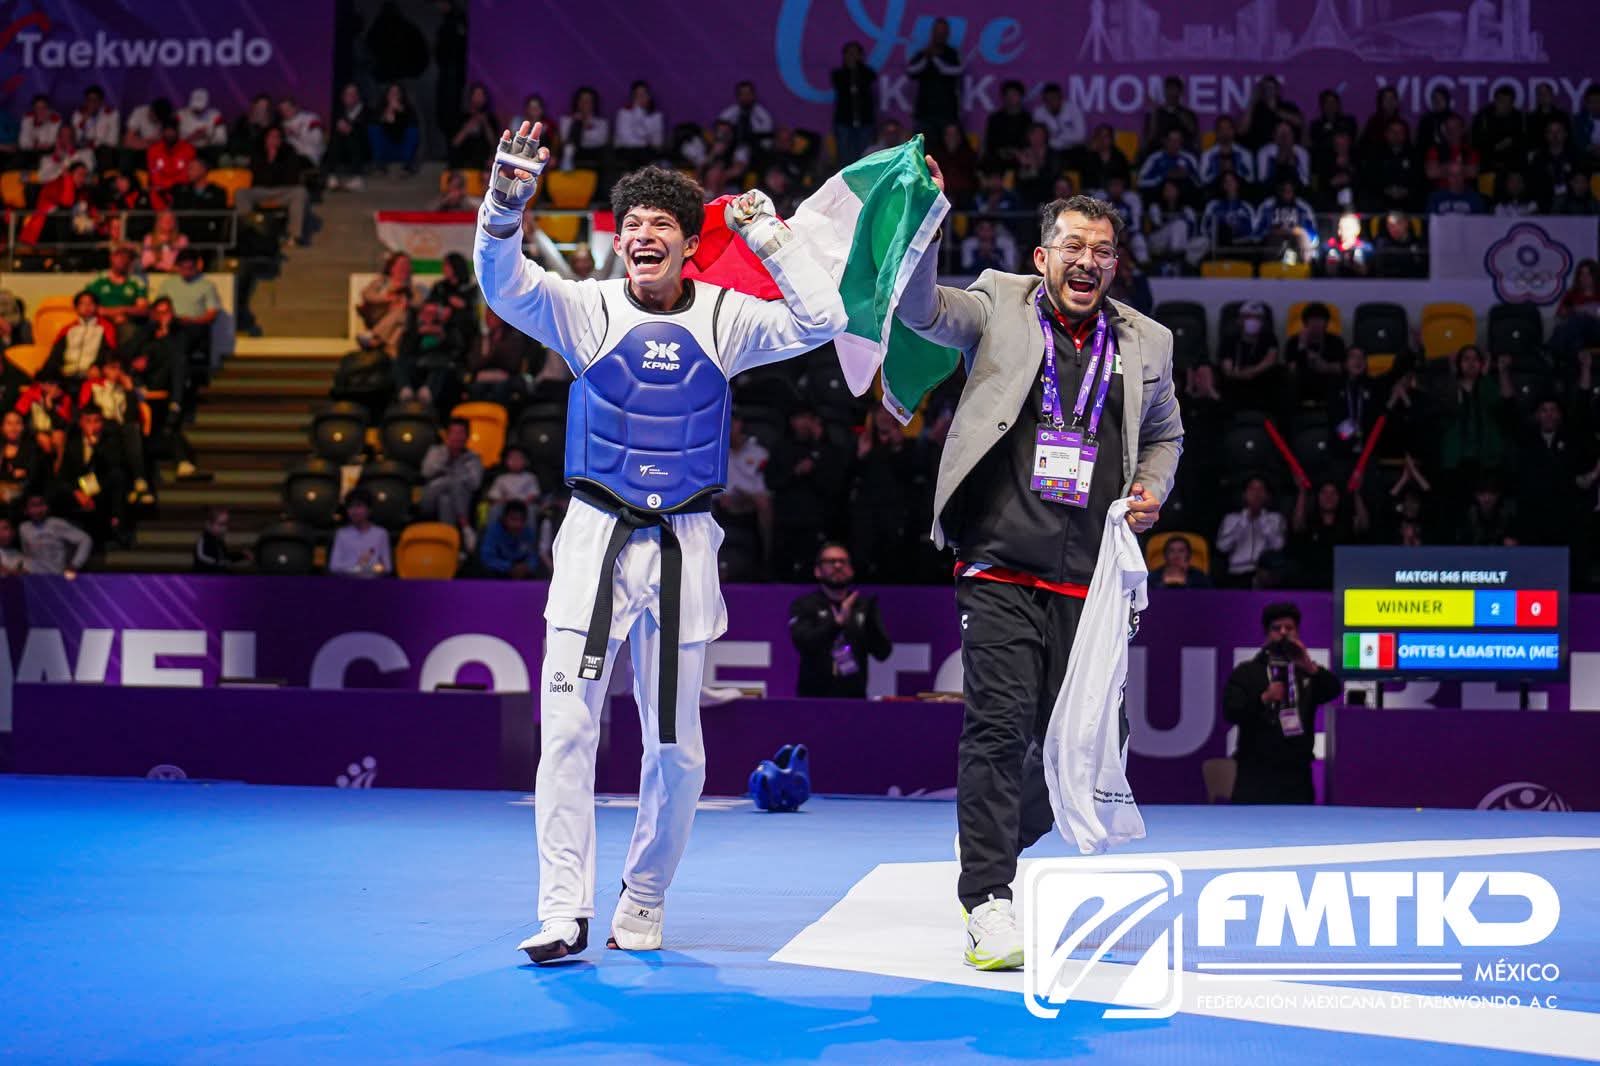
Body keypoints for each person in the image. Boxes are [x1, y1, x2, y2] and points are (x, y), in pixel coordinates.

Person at [475, 122, 844, 963]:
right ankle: (563, 910)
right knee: (567, 730)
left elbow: (822, 320)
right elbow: (501, 286)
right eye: (630, 223)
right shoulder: (582, 307)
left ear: (685, 244)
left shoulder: (729, 316)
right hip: (595, 533)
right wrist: (504, 201)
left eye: (660, 225)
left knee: (675, 747)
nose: (642, 234)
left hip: (683, 543)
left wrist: (766, 235)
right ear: (619, 239)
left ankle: (643, 894)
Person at [895, 184, 1181, 970]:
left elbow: (1166, 434)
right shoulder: (998, 303)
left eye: (1101, 251)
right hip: (1000, 564)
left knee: (1091, 749)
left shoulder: (1147, 341)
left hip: (1093, 580)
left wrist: (1153, 487)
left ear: (1115, 265)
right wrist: (923, 231)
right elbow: (923, 314)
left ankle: (985, 837)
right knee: (997, 726)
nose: (1086, 262)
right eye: (1072, 248)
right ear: (1042, 256)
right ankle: (988, 896)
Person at [1223, 602, 1342, 804]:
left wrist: (1307, 664)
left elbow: (1334, 690)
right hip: (1254, 773)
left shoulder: (1306, 671)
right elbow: (1231, 711)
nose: (1283, 633)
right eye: (1276, 629)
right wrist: (1263, 699)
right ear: (1267, 633)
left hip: (1296, 774)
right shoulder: (1247, 671)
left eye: (1290, 628)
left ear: (1298, 632)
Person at [787, 543, 893, 698]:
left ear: (851, 569)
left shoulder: (862, 606)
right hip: (813, 699)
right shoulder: (804, 605)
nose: (837, 566)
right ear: (817, 571)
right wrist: (836, 624)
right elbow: (804, 642)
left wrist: (870, 623)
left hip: (854, 699)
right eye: (830, 561)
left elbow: (883, 653)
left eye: (843, 562)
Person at [236, 126, 311, 246]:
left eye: (277, 137)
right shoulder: (257, 154)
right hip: (261, 191)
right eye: (271, 137)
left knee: (300, 192)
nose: (274, 140)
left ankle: (294, 235)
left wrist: (275, 160)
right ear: (265, 139)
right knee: (241, 193)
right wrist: (270, 160)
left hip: (282, 191)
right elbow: (259, 179)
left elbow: (291, 179)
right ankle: (248, 232)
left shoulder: (289, 153)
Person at [155, 250, 222, 369]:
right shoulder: (168, 284)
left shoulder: (206, 285)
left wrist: (192, 321)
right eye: (182, 268)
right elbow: (157, 307)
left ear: (197, 266)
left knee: (182, 336)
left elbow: (212, 314)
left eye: (190, 268)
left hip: (193, 325)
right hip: (170, 323)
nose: (186, 272)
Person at [1215, 475, 1286, 587]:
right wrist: (1245, 520)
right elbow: (1222, 547)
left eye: (1260, 489)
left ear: (1267, 495)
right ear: (1244, 494)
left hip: (1265, 575)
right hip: (1236, 573)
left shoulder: (1275, 518)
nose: (1256, 494)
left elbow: (1278, 545)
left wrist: (1262, 519)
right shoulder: (1232, 518)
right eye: (1252, 489)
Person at [419, 418, 484, 532]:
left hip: (459, 500)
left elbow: (475, 484)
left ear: (467, 436)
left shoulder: (473, 458)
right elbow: (426, 472)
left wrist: (456, 473)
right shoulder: (435, 451)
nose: (457, 436)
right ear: (447, 435)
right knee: (452, 481)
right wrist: (446, 458)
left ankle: (449, 540)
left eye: (461, 433)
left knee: (446, 500)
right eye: (453, 433)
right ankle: (465, 525)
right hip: (431, 498)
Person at [906, 17, 963, 135]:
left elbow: (956, 71)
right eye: (937, 31)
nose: (939, 35)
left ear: (947, 34)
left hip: (947, 111)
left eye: (943, 32)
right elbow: (911, 71)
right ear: (932, 33)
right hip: (925, 111)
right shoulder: (923, 53)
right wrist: (926, 58)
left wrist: (935, 58)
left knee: (947, 149)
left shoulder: (953, 54)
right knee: (924, 147)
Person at [18, 492, 92, 576]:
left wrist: (75, 565)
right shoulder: (23, 528)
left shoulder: (57, 524)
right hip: (34, 578)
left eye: (41, 504)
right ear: (26, 510)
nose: (38, 509)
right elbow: (26, 554)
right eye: (33, 506)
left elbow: (85, 539)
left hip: (56, 576)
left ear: (47, 507)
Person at [830, 43, 878, 166]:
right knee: (846, 157)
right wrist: (850, 69)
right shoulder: (839, 74)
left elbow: (871, 77)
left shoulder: (867, 73)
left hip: (865, 121)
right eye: (849, 53)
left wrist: (857, 68)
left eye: (855, 53)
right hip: (844, 121)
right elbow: (841, 86)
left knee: (865, 157)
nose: (852, 56)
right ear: (844, 55)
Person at [328, 489, 391, 576]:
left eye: (359, 506)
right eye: (350, 506)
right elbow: (334, 566)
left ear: (369, 509)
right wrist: (356, 567)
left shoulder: (381, 534)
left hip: (372, 584)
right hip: (347, 584)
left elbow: (387, 567)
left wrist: (371, 568)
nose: (354, 511)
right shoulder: (341, 534)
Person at [479, 498, 542, 578]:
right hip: (498, 573)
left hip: (522, 573)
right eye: (513, 519)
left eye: (521, 520)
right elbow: (487, 558)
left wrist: (527, 567)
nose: (517, 524)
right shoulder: (493, 532)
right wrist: (509, 567)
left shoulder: (528, 532)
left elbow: (533, 557)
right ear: (504, 519)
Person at [326, 83, 372, 191]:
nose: (351, 97)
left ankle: (357, 177)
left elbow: (368, 134)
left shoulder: (367, 111)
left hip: (363, 148)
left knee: (351, 135)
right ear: (343, 97)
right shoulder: (339, 112)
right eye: (348, 94)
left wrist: (352, 130)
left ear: (358, 96)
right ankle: (331, 176)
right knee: (336, 136)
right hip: (342, 148)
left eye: (353, 94)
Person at [1032, 83, 1084, 156]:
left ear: (1061, 98)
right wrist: (1066, 137)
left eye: (1054, 98)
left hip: (1073, 148)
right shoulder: (1039, 113)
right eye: (1047, 100)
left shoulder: (1073, 109)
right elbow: (1039, 138)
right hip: (1050, 150)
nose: (1051, 102)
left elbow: (1080, 135)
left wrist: (1058, 136)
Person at [193, 506, 250, 573]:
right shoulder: (203, 540)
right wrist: (219, 563)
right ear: (209, 524)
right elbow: (202, 558)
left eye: (226, 524)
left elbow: (225, 557)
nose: (224, 528)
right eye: (221, 524)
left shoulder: (219, 540)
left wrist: (242, 555)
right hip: (206, 577)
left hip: (220, 576)